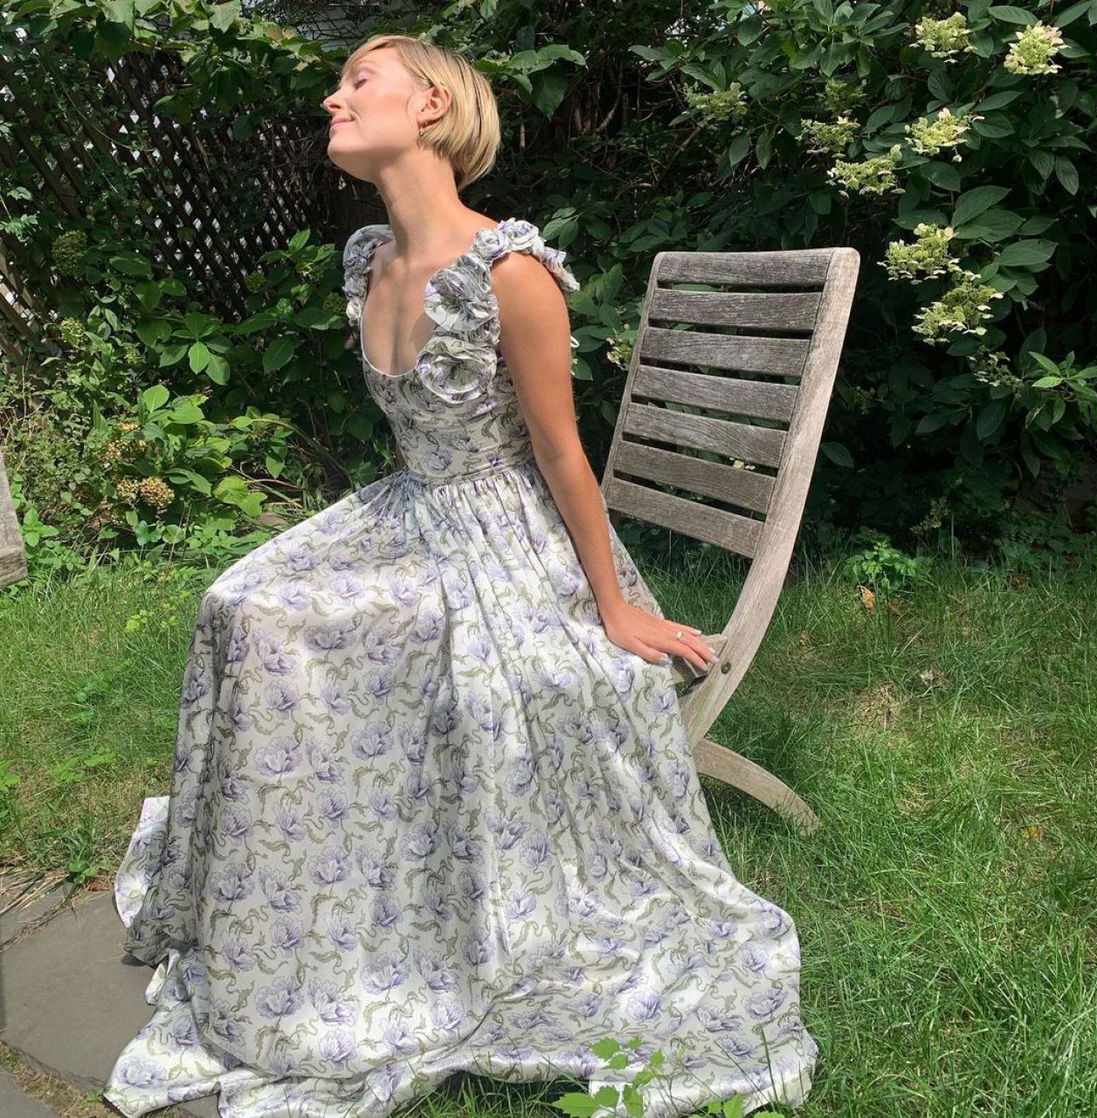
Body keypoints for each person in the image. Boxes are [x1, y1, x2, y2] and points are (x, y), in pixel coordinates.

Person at [102, 32, 818, 1118]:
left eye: (359, 80)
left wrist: (613, 605)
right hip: (412, 510)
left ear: (431, 105)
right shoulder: (370, 260)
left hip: (506, 538)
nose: (333, 97)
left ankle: (344, 900)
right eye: (338, 82)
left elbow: (560, 454)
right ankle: (294, 889)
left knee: (282, 627)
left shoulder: (508, 273)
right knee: (239, 601)